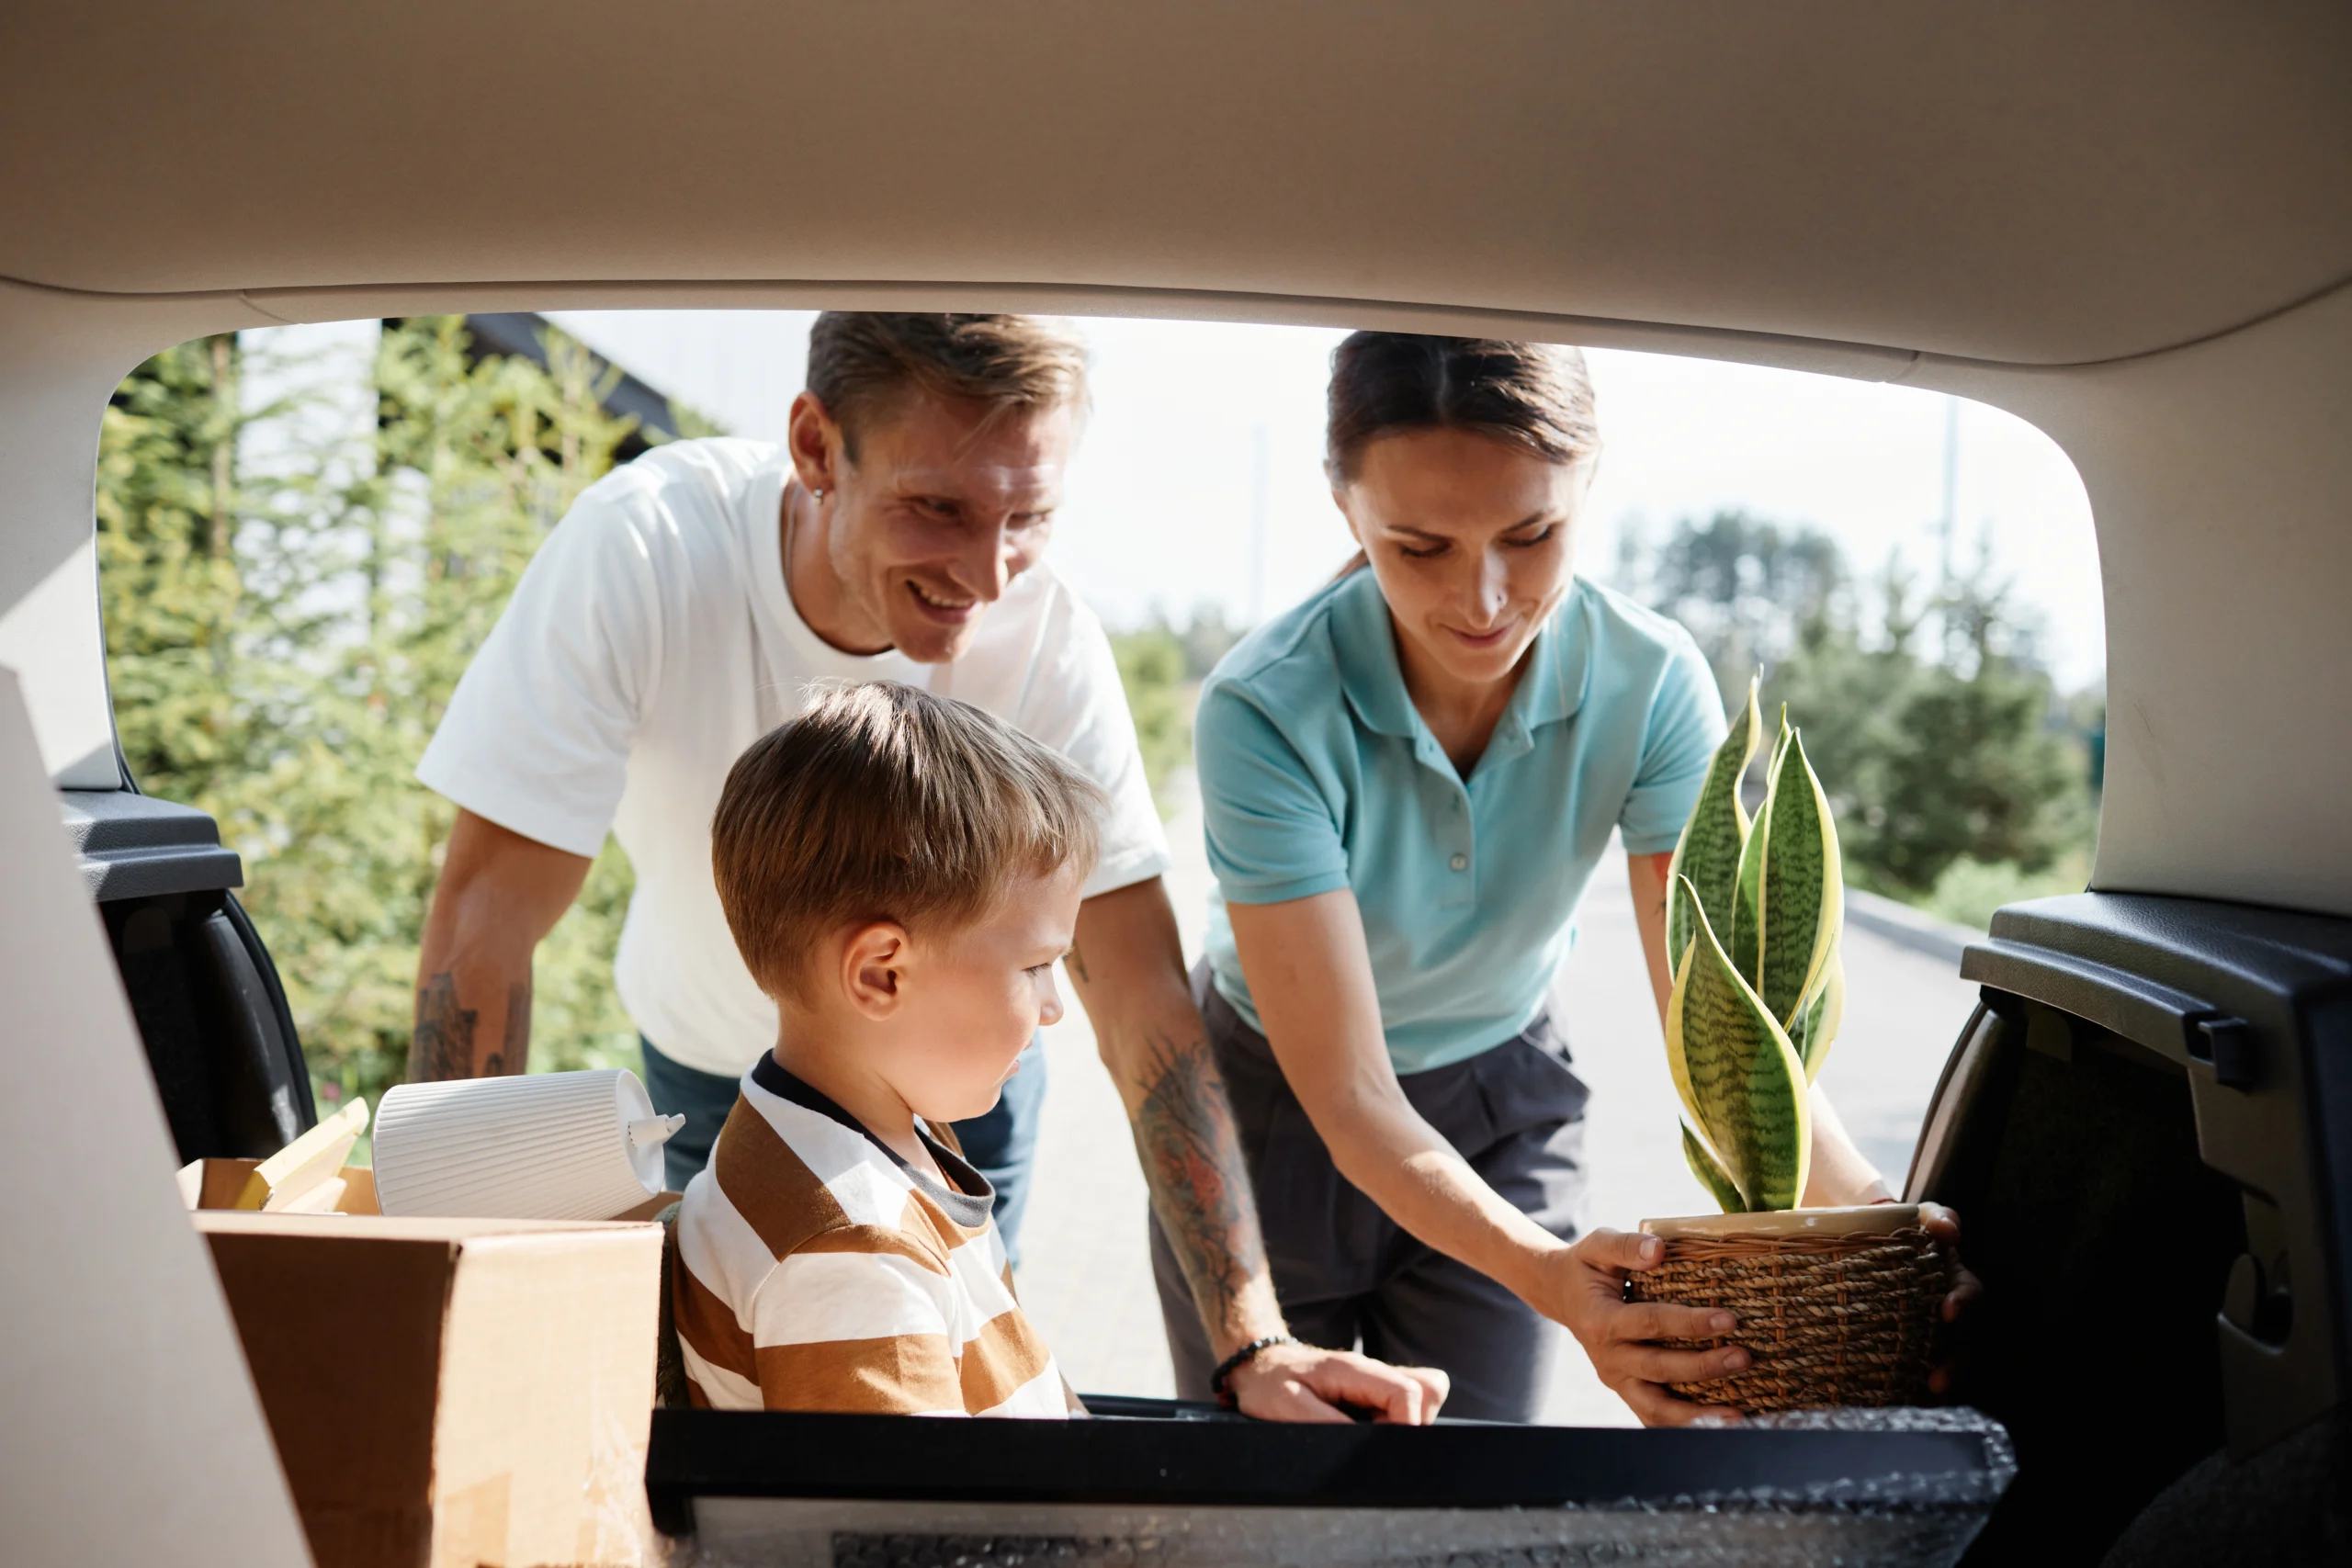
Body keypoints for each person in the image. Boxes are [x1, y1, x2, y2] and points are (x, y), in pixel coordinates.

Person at [411, 311, 1439, 1422]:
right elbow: (486, 925)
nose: (989, 574)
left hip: (963, 1065)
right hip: (705, 1063)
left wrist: (1253, 1344)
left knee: (958, 1344)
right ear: (816, 448)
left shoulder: (1043, 637)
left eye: (1029, 517)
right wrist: (438, 1306)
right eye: (937, 508)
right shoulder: (646, 550)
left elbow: (1137, 995)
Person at [1169, 332, 1973, 1425]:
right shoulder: (1262, 708)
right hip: (1277, 1113)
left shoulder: (1649, 685)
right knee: (1271, 1486)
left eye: (1532, 533)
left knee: (1491, 1492)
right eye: (1417, 547)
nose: (1484, 599)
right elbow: (1350, 1095)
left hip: (1504, 1098)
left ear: (1587, 483)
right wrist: (1550, 1275)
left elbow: (1726, 1021)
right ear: (1343, 505)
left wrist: (1884, 1233)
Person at [673, 682, 1099, 1415]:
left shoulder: (873, 1132)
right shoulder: (851, 1252)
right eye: (1034, 966)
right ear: (881, 973)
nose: (1055, 1006)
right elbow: (913, 1525)